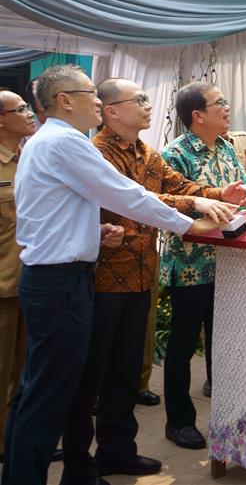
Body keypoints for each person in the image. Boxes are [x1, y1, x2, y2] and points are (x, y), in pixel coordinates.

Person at [3, 65, 224, 485]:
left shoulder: (50, 141)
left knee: (39, 390)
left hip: (58, 276)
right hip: (60, 282)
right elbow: (125, 194)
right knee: (48, 396)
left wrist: (93, 232)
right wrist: (188, 224)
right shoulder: (67, 143)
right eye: (91, 93)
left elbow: (57, 210)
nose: (99, 102)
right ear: (65, 100)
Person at [60, 79, 246, 482]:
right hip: (103, 277)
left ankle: (118, 451)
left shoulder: (146, 153)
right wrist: (197, 202)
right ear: (111, 111)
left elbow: (176, 186)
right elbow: (133, 197)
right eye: (141, 100)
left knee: (127, 372)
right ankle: (79, 463)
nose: (150, 106)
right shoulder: (98, 152)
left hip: (141, 273)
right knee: (91, 375)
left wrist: (218, 192)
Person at [160, 82, 246, 450]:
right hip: (190, 265)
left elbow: (245, 188)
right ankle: (179, 422)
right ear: (197, 115)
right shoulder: (175, 155)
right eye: (220, 103)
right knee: (184, 344)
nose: (227, 108)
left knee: (227, 340)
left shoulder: (228, 148)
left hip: (230, 263)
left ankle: (228, 412)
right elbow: (170, 208)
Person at [0, 89, 36, 459]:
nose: (30, 113)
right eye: (21, 109)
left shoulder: (30, 157)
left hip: (32, 281)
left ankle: (14, 442)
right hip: (2, 286)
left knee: (26, 371)